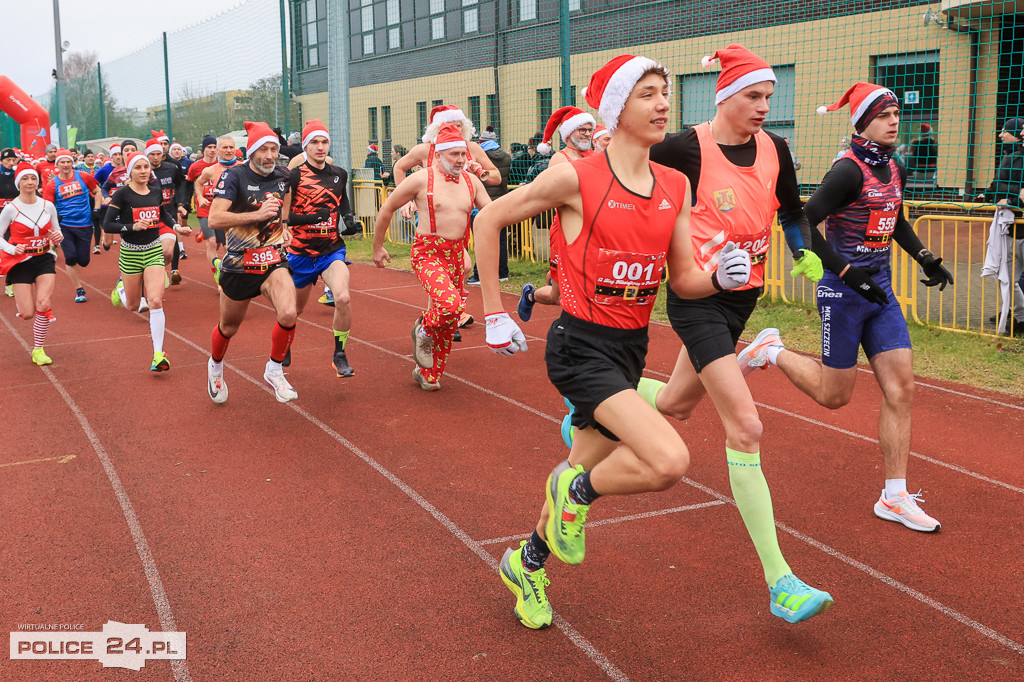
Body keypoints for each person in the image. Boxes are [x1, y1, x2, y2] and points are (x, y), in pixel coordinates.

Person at [474, 55, 758, 630]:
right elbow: (488, 221)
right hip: (579, 347)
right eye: (648, 94)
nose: (662, 105)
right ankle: (576, 491)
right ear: (617, 108)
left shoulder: (675, 185)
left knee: (585, 464)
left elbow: (682, 280)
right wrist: (492, 313)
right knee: (668, 460)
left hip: (630, 350)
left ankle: (526, 563)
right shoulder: (576, 177)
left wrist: (719, 279)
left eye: (665, 93)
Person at [575, 44, 829, 624]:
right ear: (724, 98)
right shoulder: (685, 146)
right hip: (697, 299)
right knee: (745, 425)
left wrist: (802, 250)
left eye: (768, 96)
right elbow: (626, 172)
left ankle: (592, 402)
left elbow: (792, 211)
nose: (765, 106)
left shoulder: (777, 148)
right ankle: (780, 581)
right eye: (753, 96)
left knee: (675, 404)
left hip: (744, 297)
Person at [740, 83, 954, 534]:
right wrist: (845, 272)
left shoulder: (894, 165)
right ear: (862, 122)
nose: (894, 120)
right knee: (834, 397)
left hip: (881, 294)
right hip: (843, 292)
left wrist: (925, 257)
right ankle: (771, 350)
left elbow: (892, 217)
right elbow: (802, 220)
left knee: (902, 389)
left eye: (896, 112)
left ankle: (893, 495)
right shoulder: (847, 171)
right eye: (884, 114)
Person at [371, 122, 490, 390]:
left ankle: (428, 374)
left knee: (448, 323)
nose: (461, 160)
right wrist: (378, 248)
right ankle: (423, 329)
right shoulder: (421, 178)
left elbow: (494, 214)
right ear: (438, 155)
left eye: (463, 154)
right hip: (428, 254)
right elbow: (387, 208)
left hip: (457, 256)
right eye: (454, 154)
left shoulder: (472, 182)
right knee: (450, 306)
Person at [206, 120, 297, 404]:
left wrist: (285, 226)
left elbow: (286, 202)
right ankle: (216, 366)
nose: (270, 155)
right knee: (228, 327)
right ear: (252, 151)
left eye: (274, 149)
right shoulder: (233, 177)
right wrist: (256, 215)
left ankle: (274, 369)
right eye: (264, 150)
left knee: (289, 313)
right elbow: (214, 218)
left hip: (272, 261)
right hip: (239, 265)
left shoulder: (283, 175)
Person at [286, 118, 361, 377]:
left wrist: (350, 221)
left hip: (331, 250)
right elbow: (286, 218)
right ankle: (284, 343)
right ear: (305, 147)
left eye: (324, 142)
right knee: (294, 311)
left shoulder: (339, 174)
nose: (320, 147)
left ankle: (339, 353)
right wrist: (312, 218)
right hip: (300, 253)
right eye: (314, 142)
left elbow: (343, 202)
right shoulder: (293, 177)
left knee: (342, 297)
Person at [104, 152, 189, 371]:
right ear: (130, 171)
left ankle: (158, 355)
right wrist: (132, 227)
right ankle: (121, 290)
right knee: (134, 305)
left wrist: (177, 227)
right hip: (130, 254)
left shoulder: (156, 192)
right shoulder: (122, 195)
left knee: (155, 301)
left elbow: (163, 216)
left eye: (145, 167)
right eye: (138, 167)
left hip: (153, 251)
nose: (143, 171)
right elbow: (108, 225)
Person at [514, 106, 598, 319]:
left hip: (591, 229)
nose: (588, 133)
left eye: (590, 129)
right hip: (564, 232)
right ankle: (530, 295)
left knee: (589, 288)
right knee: (556, 296)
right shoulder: (560, 159)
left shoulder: (593, 155)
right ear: (569, 133)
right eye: (582, 129)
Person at [0, 162, 63, 365]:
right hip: (21, 262)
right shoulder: (11, 209)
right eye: (25, 179)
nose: (30, 182)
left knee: (44, 303)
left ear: (38, 181)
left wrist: (57, 236)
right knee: (27, 313)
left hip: (44, 258)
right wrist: (11, 249)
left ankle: (38, 349)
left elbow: (57, 231)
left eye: (33, 178)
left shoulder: (47, 205)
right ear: (18, 183)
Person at [978, 117, 1024, 333]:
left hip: (1018, 226)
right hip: (1014, 229)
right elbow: (1000, 185)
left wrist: (1013, 200)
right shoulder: (1010, 157)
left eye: (1004, 131)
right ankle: (1017, 316)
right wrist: (989, 195)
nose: (999, 135)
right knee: (1009, 279)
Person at [42, 148, 103, 303]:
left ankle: (80, 271)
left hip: (84, 224)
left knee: (83, 260)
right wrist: (54, 217)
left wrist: (96, 209)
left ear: (72, 162)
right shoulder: (52, 184)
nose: (66, 164)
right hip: (64, 226)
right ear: (57, 164)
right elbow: (47, 206)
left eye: (68, 161)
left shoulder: (83, 176)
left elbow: (97, 191)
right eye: (62, 162)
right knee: (70, 257)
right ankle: (79, 289)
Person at [466, 126, 511, 284]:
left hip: (482, 202)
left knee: (482, 240)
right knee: (500, 239)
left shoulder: (479, 155)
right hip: (501, 201)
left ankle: (480, 274)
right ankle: (502, 272)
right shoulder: (506, 157)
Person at [145, 138, 188, 284]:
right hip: (148, 214)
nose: (156, 157)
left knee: (169, 247)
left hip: (168, 211)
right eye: (152, 154)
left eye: (159, 154)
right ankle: (152, 271)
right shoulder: (142, 170)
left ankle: (173, 269)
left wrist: (181, 204)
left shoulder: (171, 168)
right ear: (147, 155)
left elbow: (181, 184)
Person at [187, 135, 225, 275]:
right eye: (209, 147)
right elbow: (191, 184)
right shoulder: (195, 167)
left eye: (215, 147)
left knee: (220, 244)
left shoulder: (222, 165)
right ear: (203, 149)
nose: (213, 150)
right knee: (212, 242)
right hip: (204, 209)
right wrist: (196, 199)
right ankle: (216, 273)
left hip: (220, 209)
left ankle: (203, 232)